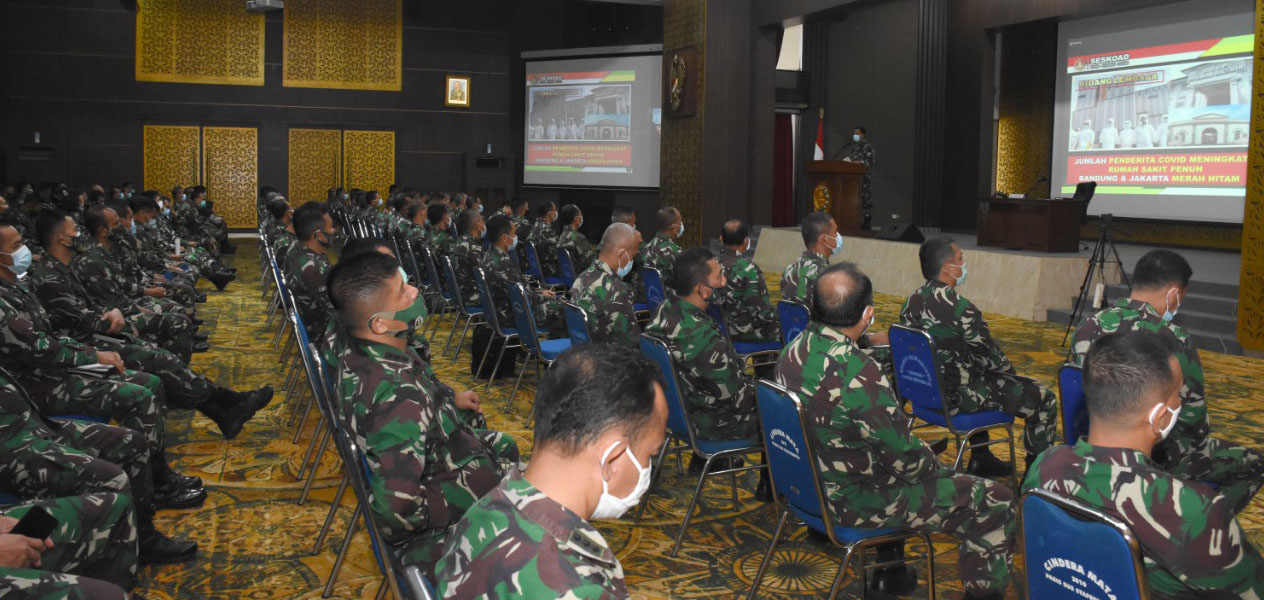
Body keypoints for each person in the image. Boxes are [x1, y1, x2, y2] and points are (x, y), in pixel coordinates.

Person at [777, 263, 1013, 600]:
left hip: (807, 487)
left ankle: (890, 572)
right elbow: (908, 463)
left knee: (883, 459)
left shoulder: (792, 350)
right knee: (996, 500)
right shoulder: (858, 371)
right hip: (852, 503)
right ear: (868, 314)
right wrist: (937, 466)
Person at [1024, 330, 1264, 598]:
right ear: (1160, 417)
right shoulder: (1193, 513)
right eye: (1177, 395)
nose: (1180, 403)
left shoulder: (1045, 466)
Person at [329, 252, 518, 572]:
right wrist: (470, 492)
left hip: (441, 462)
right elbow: (396, 514)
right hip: (436, 537)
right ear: (380, 323)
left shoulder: (362, 353)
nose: (415, 291)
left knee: (510, 452)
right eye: (402, 291)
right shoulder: (399, 397)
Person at [434, 344, 667, 597]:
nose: (647, 468)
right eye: (650, 455)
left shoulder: (484, 508)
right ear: (613, 458)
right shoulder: (577, 587)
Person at [30, 211, 272, 440]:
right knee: (162, 360)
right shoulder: (49, 277)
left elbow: (99, 303)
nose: (81, 233)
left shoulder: (66, 267)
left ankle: (224, 410)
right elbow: (86, 320)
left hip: (97, 335)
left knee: (163, 359)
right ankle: (227, 402)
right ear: (61, 238)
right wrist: (115, 315)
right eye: (75, 230)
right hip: (83, 346)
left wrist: (115, 314)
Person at [1071, 250, 1264, 514]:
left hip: (1094, 439)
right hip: (1156, 453)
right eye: (1181, 297)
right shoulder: (1173, 338)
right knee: (1254, 463)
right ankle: (1203, 523)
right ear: (1173, 294)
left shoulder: (1087, 326)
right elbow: (1194, 421)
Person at [899, 237, 1058, 477]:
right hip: (957, 400)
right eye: (960, 259)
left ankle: (981, 457)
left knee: (973, 375)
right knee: (1044, 398)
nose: (964, 264)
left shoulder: (911, 301)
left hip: (922, 393)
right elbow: (993, 360)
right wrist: (1013, 376)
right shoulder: (961, 308)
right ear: (947, 268)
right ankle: (1035, 478)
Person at [644, 248, 757, 446]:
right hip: (712, 424)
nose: (724, 282)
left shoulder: (664, 309)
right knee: (785, 418)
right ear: (702, 289)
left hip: (675, 412)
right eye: (719, 277)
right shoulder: (704, 336)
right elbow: (738, 400)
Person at [479, 215, 560, 331]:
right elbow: (522, 298)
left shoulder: (489, 254)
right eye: (513, 233)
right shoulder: (504, 265)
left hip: (501, 311)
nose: (515, 237)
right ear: (504, 237)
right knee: (565, 309)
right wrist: (542, 296)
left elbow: (519, 291)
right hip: (515, 315)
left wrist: (540, 292)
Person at [570, 223, 642, 349]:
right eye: (633, 256)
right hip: (605, 357)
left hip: (582, 352)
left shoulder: (583, 277)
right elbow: (630, 343)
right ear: (621, 254)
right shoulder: (617, 290)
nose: (632, 261)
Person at [713, 220, 779, 342]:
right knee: (788, 328)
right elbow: (761, 312)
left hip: (717, 329)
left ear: (721, 239)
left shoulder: (711, 265)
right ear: (746, 240)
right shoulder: (749, 269)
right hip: (744, 332)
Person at [284, 202, 337, 340]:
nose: (333, 231)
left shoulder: (296, 247)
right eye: (331, 227)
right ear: (319, 235)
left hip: (311, 321)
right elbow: (338, 311)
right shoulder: (314, 268)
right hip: (324, 334)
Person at [780, 211, 841, 312]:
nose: (838, 236)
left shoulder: (789, 270)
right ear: (824, 239)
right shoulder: (828, 277)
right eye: (835, 232)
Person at [450, 209, 486, 307]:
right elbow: (488, 277)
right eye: (482, 221)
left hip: (459, 294)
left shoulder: (459, 242)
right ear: (477, 225)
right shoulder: (474, 248)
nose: (484, 224)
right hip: (473, 296)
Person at [842, 126, 876, 228]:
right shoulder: (855, 147)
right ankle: (853, 219)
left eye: (857, 133)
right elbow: (851, 159)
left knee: (865, 198)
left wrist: (859, 162)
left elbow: (870, 162)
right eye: (854, 133)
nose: (855, 135)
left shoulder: (867, 146)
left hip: (864, 177)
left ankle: (867, 220)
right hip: (853, 178)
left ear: (863, 134)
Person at [641, 206, 683, 278]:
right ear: (673, 227)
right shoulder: (675, 251)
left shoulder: (647, 246)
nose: (682, 225)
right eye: (680, 221)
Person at [556, 204, 595, 273]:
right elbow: (592, 262)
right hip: (580, 276)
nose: (582, 217)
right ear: (577, 219)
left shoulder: (563, 234)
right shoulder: (578, 238)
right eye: (580, 214)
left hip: (567, 274)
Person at [527, 201, 560, 277]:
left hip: (537, 268)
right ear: (549, 213)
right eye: (555, 209)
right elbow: (556, 255)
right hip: (549, 271)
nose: (556, 212)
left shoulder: (535, 225)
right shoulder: (547, 231)